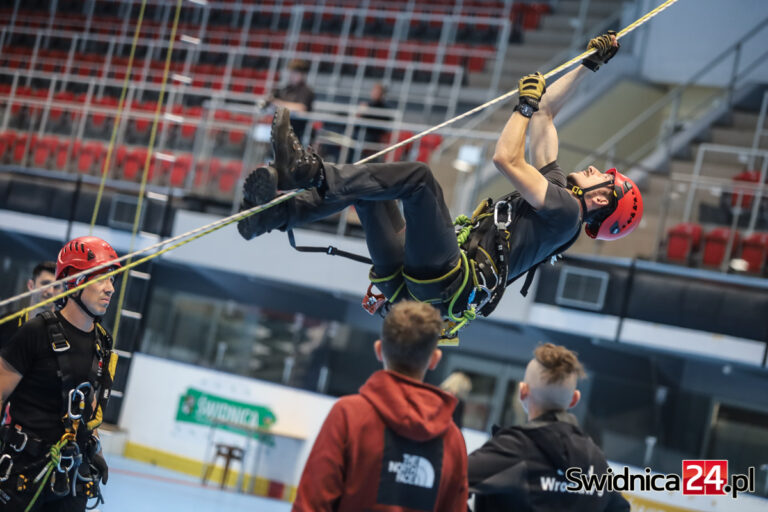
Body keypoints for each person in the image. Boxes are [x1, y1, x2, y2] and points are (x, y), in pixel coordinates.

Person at [238, 31, 643, 341]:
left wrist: (521, 106)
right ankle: (277, 214)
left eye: (602, 176)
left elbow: (506, 158)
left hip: (451, 279)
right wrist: (588, 65)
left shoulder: (566, 213)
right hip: (423, 283)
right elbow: (546, 116)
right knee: (371, 185)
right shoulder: (560, 195)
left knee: (419, 180)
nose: (593, 169)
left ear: (605, 198)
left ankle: (306, 172)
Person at [292, 301, 468, 511]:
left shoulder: (349, 416)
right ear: (434, 359)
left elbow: (311, 505)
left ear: (378, 349)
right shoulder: (453, 440)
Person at [0, 236, 120, 511]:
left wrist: (96, 451)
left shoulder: (102, 342)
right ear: (75, 280)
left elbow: (86, 412)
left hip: (69, 479)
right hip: (22, 475)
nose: (110, 288)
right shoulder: (35, 333)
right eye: (101, 279)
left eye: (112, 280)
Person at [467, 343, 630, 511]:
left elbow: (450, 479)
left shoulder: (515, 447)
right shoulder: (595, 460)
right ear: (574, 399)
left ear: (522, 391)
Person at [0, 262, 61, 350]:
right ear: (31, 285)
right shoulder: (6, 323)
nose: (50, 291)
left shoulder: (65, 329)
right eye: (46, 283)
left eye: (56, 286)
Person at [271, 59, 315, 141]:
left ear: (302, 74)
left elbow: (301, 107)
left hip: (296, 133)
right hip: (281, 129)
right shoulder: (286, 89)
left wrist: (280, 104)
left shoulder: (306, 91)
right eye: (291, 72)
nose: (291, 75)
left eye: (294, 73)